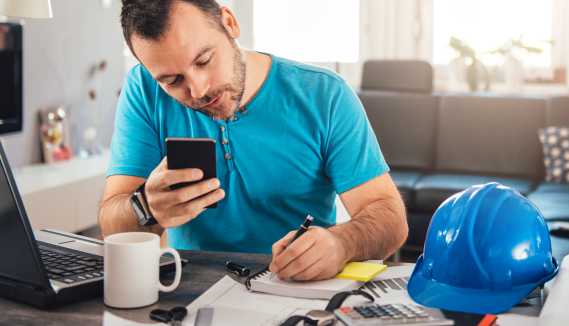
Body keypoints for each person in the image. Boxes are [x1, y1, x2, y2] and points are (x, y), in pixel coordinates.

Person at [99, 0, 408, 281]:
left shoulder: (325, 95)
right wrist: (146, 207)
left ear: (229, 23)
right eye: (172, 81)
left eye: (204, 60)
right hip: (189, 290)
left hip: (296, 289)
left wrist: (343, 243)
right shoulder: (142, 91)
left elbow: (390, 219)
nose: (197, 90)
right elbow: (112, 224)